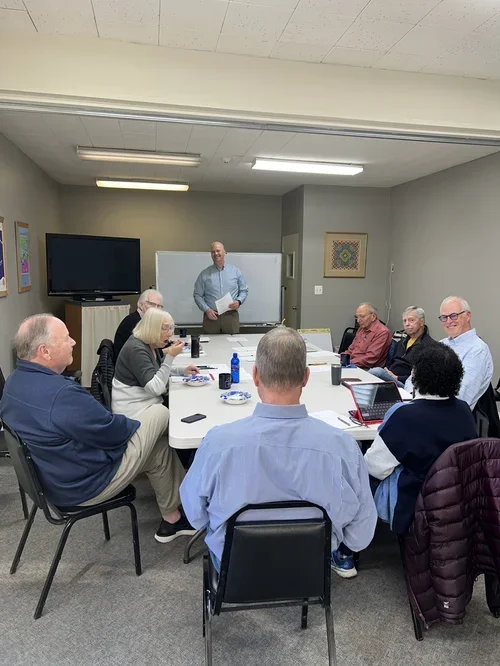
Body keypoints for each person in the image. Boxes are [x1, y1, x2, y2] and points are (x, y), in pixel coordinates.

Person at [180, 326, 377, 578]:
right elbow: (360, 535)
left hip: (238, 568)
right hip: (310, 570)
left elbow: (195, 516)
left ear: (255, 375)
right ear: (306, 377)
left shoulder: (218, 442)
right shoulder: (344, 448)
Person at [0, 314, 195, 544]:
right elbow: (113, 433)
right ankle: (196, 491)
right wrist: (137, 426)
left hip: (52, 481)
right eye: (66, 339)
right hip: (88, 484)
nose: (73, 342)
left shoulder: (13, 383)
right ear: (45, 351)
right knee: (161, 412)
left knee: (158, 447)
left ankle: (172, 519)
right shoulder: (61, 395)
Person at [365, 344, 477, 534]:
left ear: (416, 376)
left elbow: (374, 467)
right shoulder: (464, 410)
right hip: (456, 499)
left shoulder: (404, 416)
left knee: (360, 470)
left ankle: (345, 550)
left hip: (413, 502)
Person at [404, 296, 493, 409]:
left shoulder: (478, 350)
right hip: (420, 406)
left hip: (447, 415)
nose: (449, 321)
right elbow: (413, 378)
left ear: (468, 315)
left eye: (454, 315)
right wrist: (411, 399)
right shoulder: (440, 344)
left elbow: (461, 396)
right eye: (444, 317)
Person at [112, 308, 199, 419]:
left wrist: (182, 371)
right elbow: (155, 388)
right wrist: (171, 356)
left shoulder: (150, 343)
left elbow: (157, 371)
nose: (169, 334)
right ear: (152, 328)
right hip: (134, 415)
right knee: (182, 411)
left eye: (171, 329)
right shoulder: (136, 349)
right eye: (165, 329)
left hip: (147, 405)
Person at [369, 306, 436, 387]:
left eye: (411, 320)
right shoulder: (402, 341)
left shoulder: (429, 346)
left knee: (376, 372)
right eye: (404, 321)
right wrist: (387, 372)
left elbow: (422, 377)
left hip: (405, 384)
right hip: (390, 376)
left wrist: (397, 378)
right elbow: (393, 361)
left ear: (421, 322)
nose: (407, 324)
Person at [193, 241, 248, 334]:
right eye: (213, 252)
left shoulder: (235, 271)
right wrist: (207, 310)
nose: (215, 254)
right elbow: (197, 295)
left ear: (224, 252)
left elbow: (244, 290)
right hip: (211, 317)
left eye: (218, 251)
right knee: (211, 345)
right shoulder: (204, 274)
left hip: (230, 316)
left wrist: (238, 301)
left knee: (232, 344)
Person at [113, 288, 163, 360]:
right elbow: (145, 353)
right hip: (129, 367)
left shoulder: (144, 320)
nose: (155, 309)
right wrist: (168, 351)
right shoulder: (133, 322)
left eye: (158, 306)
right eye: (152, 304)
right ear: (141, 305)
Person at [346, 303, 392, 369]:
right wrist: (340, 359)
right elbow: (350, 350)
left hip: (367, 369)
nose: (358, 320)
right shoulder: (361, 329)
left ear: (373, 316)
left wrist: (348, 363)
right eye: (357, 317)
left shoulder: (382, 332)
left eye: (362, 316)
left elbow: (370, 359)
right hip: (353, 364)